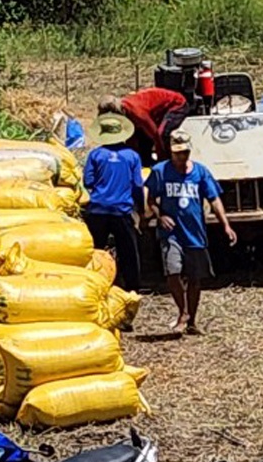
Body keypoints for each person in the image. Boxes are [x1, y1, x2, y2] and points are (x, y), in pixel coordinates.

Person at [145, 130, 237, 336]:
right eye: (178, 153)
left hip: (195, 233)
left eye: (185, 152)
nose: (181, 157)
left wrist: (226, 225)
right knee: (173, 271)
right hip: (172, 233)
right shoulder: (160, 172)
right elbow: (150, 199)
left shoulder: (201, 172)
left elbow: (214, 199)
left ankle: (192, 321)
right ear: (171, 151)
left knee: (195, 278)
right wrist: (160, 216)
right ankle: (183, 312)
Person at [82, 113, 144, 296]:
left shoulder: (96, 155)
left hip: (97, 209)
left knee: (95, 251)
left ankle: (93, 284)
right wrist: (140, 208)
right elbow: (137, 185)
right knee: (129, 252)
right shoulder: (132, 156)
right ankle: (132, 288)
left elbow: (88, 181)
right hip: (121, 210)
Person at [100, 87, 188, 163]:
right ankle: (146, 162)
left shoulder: (137, 112)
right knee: (141, 138)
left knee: (162, 134)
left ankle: (168, 163)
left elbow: (155, 134)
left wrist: (161, 158)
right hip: (156, 111)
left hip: (176, 104)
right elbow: (131, 135)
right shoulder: (126, 113)